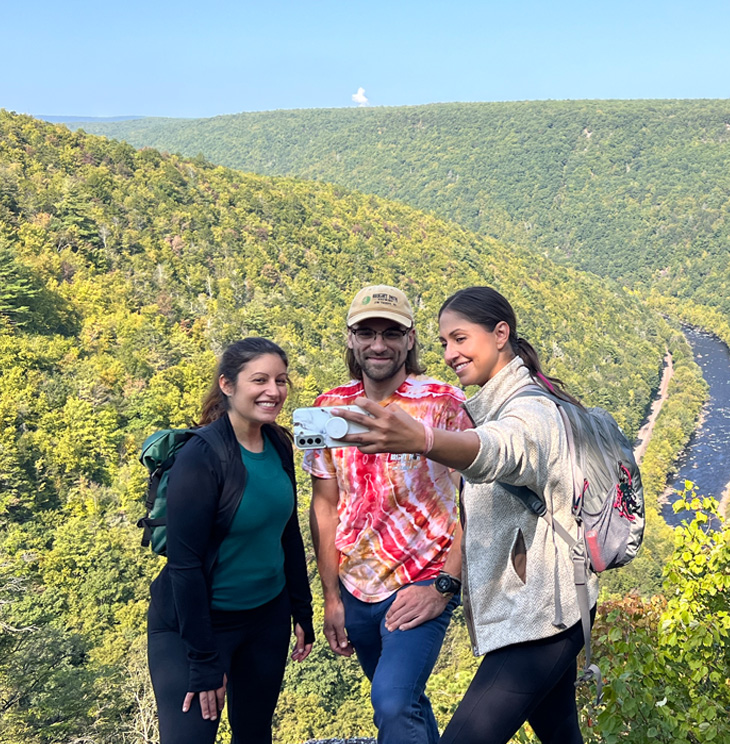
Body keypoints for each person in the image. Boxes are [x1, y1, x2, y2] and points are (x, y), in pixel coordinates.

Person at [336, 285, 599, 744]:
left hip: (540, 619)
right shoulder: (506, 399)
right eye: (444, 343)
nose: (451, 354)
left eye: (461, 338)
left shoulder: (528, 409)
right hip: (548, 605)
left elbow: (501, 449)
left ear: (501, 334)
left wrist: (425, 439)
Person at [304, 284, 472, 744]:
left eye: (391, 333)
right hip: (357, 585)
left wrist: (446, 584)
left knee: (393, 701)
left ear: (411, 339)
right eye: (367, 332)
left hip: (423, 577)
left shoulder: (443, 404)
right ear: (351, 339)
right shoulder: (327, 410)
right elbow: (325, 504)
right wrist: (332, 597)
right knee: (405, 706)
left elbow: (480, 497)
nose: (379, 344)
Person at [147, 337, 314, 744]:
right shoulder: (200, 458)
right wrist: (204, 660)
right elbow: (185, 566)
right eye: (259, 380)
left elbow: (286, 530)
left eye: (281, 380)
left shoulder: (278, 443)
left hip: (265, 619)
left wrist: (301, 608)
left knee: (254, 735)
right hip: (196, 625)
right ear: (227, 385)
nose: (273, 391)